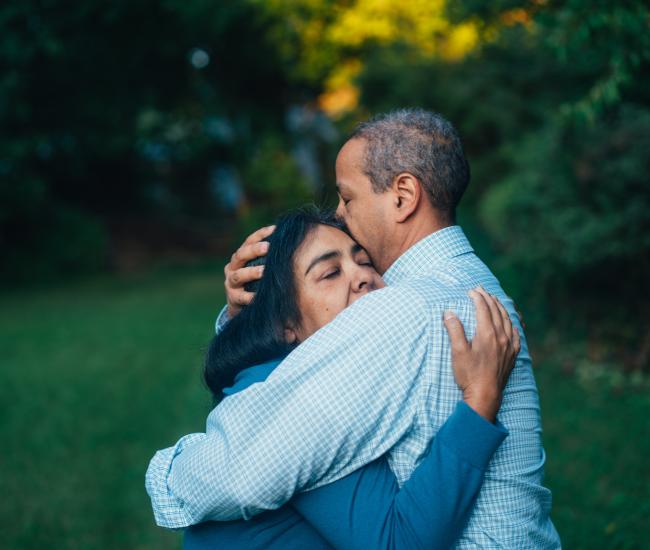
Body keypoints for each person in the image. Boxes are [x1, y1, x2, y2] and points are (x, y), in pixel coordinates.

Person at [147, 109, 561, 548]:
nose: (341, 215)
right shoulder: (474, 285)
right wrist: (248, 313)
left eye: (347, 198)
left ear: (403, 196)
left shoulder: (403, 309)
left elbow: (241, 472)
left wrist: (167, 473)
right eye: (330, 272)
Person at [176, 207, 517, 549]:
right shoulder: (300, 401)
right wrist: (479, 400)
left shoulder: (294, 372)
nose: (362, 276)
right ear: (285, 325)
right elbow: (399, 542)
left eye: (365, 261)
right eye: (330, 273)